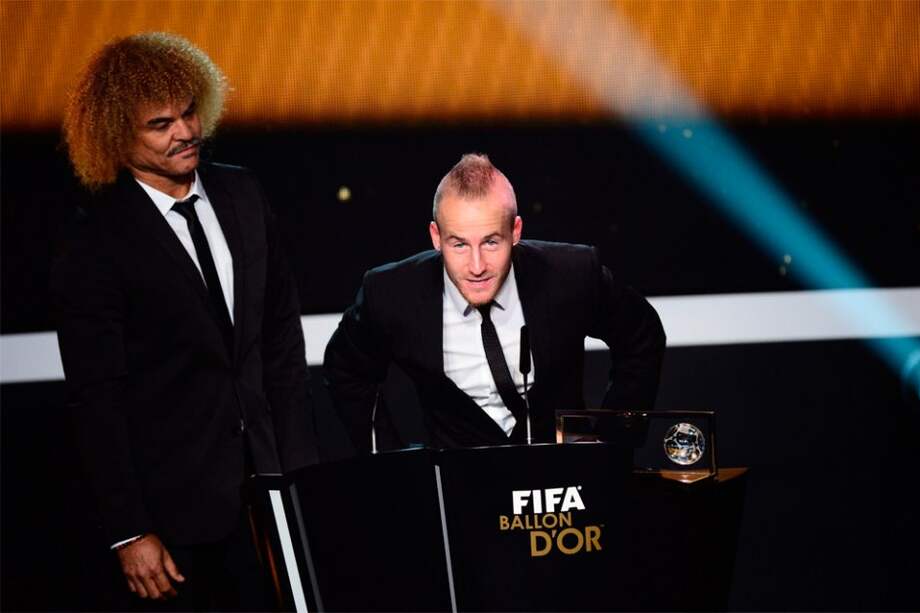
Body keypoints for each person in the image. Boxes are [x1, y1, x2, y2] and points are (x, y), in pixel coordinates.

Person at [52, 32, 317, 611]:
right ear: (117, 135)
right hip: (173, 515)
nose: (185, 132)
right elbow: (97, 397)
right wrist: (128, 530)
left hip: (274, 488)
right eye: (160, 124)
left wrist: (302, 476)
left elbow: (280, 343)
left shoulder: (244, 194)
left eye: (190, 112)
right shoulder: (96, 240)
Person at [324, 153, 666, 452]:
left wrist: (612, 443)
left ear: (515, 231)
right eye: (458, 245)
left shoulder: (571, 275)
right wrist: (389, 461)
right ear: (435, 237)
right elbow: (346, 369)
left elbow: (642, 335)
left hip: (561, 483)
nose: (476, 266)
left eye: (491, 242)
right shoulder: (392, 293)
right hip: (461, 488)